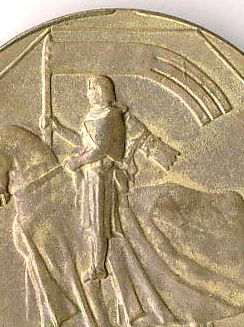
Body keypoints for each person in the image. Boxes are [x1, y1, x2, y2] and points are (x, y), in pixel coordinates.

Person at [40, 75, 179, 283]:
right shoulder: (92, 115)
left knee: (98, 222)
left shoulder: (111, 115)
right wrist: (58, 128)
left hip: (102, 175)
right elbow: (84, 144)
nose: (88, 93)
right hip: (89, 175)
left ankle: (98, 266)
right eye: (88, 89)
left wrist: (77, 161)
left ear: (100, 91)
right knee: (89, 221)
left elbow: (100, 149)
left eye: (91, 89)